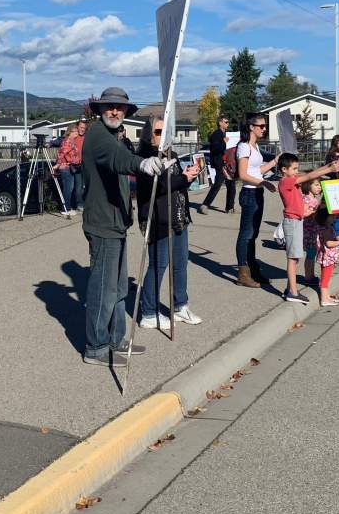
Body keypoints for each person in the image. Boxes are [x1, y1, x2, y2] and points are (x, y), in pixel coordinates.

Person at [80, 87, 167, 366]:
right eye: (109, 107)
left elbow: (119, 167)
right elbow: (118, 161)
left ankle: (116, 340)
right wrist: (141, 165)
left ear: (126, 113)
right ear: (100, 110)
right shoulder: (97, 136)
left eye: (120, 108)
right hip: (103, 224)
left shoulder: (114, 137)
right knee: (103, 289)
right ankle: (95, 347)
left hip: (117, 223)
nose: (115, 111)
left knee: (118, 290)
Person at [136, 117, 203, 329]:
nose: (162, 136)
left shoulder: (172, 154)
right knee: (158, 265)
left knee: (181, 264)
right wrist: (182, 179)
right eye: (158, 132)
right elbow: (156, 187)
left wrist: (189, 176)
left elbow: (177, 183)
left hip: (179, 217)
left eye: (166, 131)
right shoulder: (145, 158)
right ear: (149, 134)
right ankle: (148, 312)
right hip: (158, 218)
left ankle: (180, 305)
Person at [276, 152, 339, 304]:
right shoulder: (286, 182)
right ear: (284, 170)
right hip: (292, 223)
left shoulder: (291, 180)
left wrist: (329, 166)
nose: (296, 171)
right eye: (293, 168)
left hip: (297, 221)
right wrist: (329, 169)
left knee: (295, 257)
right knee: (293, 259)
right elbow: (309, 177)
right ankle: (292, 292)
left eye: (297, 168)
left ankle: (290, 289)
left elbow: (310, 174)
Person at [234, 113, 278, 288]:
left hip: (257, 192)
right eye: (261, 126)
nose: (264, 129)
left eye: (265, 126)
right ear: (251, 127)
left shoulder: (255, 147)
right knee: (246, 235)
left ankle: (253, 269)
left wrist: (274, 161)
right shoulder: (244, 147)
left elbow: (256, 170)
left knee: (253, 234)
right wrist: (264, 182)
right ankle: (243, 273)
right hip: (249, 193)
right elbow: (243, 174)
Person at [201, 114, 235, 214]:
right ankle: (205, 205)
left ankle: (229, 207)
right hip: (219, 163)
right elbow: (215, 149)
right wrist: (224, 142)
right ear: (220, 123)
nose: (227, 124)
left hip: (228, 162)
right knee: (218, 184)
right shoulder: (216, 134)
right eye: (226, 122)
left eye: (228, 122)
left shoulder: (225, 134)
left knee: (231, 184)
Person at [313, 205, 339, 307]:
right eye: (331, 216)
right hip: (328, 258)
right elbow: (328, 243)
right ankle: (324, 299)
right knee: (325, 279)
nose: (334, 217)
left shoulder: (324, 227)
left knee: (326, 278)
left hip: (327, 257)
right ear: (325, 218)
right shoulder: (326, 229)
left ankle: (326, 297)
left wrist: (336, 237)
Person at [55, 120, 86, 213]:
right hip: (66, 168)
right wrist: (58, 164)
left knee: (71, 188)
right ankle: (65, 208)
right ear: (71, 132)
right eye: (76, 131)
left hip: (71, 167)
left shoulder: (71, 141)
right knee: (68, 189)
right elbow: (61, 154)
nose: (77, 133)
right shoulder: (68, 142)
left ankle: (68, 207)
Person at [301, 177, 324, 287]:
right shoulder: (306, 199)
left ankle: (311, 275)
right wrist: (314, 212)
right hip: (309, 231)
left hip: (314, 231)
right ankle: (308, 277)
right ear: (308, 186)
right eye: (316, 185)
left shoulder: (314, 199)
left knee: (312, 254)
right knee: (310, 254)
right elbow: (304, 213)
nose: (319, 187)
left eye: (319, 185)